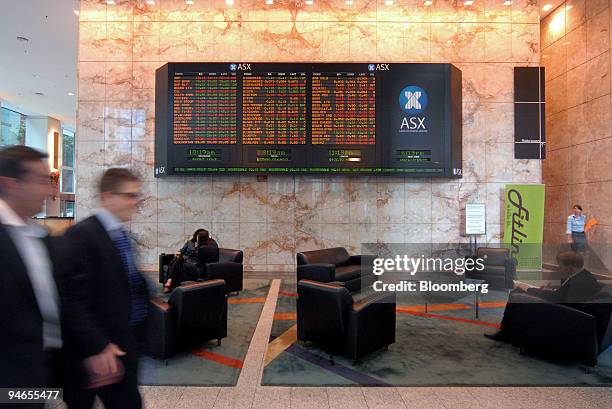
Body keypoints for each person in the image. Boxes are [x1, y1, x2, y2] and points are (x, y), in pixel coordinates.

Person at [62, 168, 149, 409]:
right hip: (96, 354)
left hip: (124, 347)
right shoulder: (81, 236)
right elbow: (70, 300)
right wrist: (97, 346)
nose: (137, 202)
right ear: (107, 197)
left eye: (137, 196)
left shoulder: (120, 236)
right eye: (130, 196)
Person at [0, 146, 65, 408]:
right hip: (10, 384)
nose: (50, 191)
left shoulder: (41, 237)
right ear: (11, 185)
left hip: (44, 373)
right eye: (41, 181)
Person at [485, 250, 602, 342]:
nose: (559, 269)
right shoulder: (586, 276)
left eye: (561, 266)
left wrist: (531, 290)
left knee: (516, 293)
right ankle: (510, 329)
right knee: (520, 292)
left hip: (561, 315)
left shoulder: (577, 283)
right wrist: (550, 289)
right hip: (570, 312)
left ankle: (505, 332)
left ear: (570, 266)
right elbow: (564, 295)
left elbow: (558, 300)